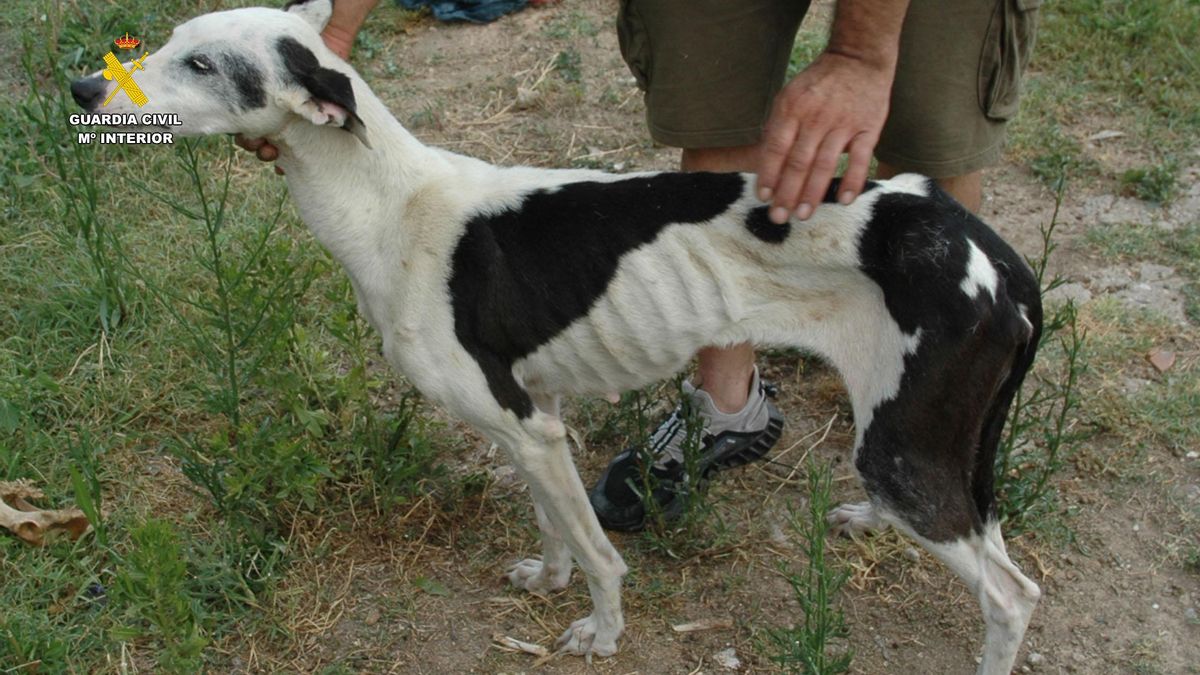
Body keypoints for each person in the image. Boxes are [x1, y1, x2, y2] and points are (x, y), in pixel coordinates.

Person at [240, 0, 1040, 532]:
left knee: (932, 128)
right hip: (108, 116)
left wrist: (864, 54)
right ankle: (727, 407)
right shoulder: (112, 112)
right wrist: (329, 39)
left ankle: (932, 409)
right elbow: (113, 112)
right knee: (714, 106)